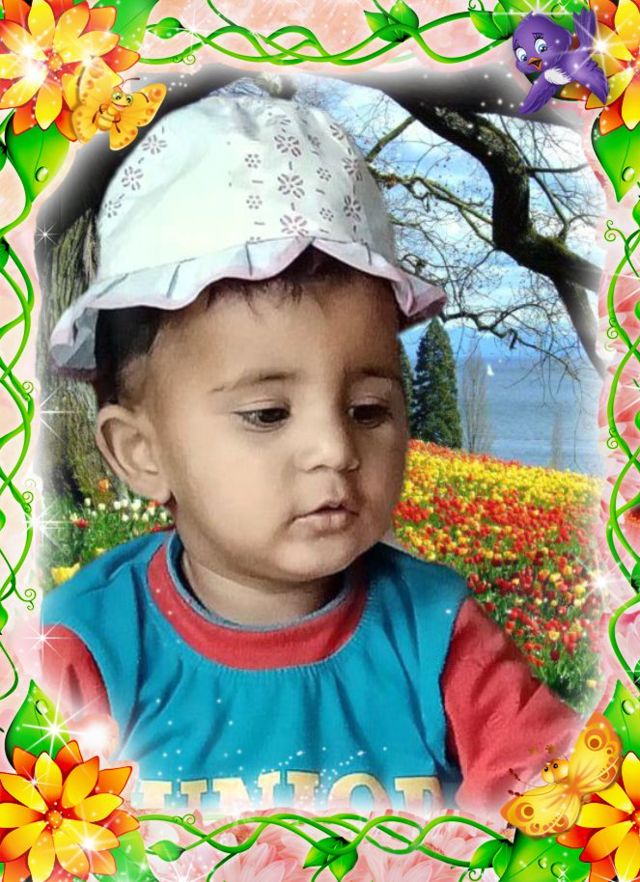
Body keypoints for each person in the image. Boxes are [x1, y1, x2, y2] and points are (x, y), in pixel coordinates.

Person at [40, 86, 581, 816]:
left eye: (369, 410)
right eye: (267, 414)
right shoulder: (83, 649)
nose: (334, 449)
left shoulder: (439, 635)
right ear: (140, 452)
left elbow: (571, 814)